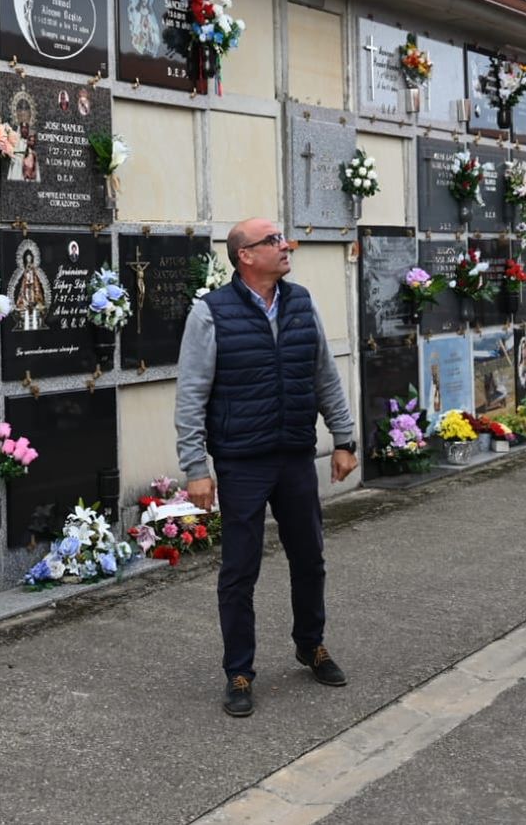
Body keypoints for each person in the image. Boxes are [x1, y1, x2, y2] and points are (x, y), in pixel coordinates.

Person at [175, 218, 357, 718]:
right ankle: (239, 671)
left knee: (310, 558)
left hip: (295, 455)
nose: (285, 245)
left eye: (283, 238)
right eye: (273, 240)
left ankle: (311, 644)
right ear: (245, 255)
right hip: (242, 462)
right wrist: (196, 467)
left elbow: (323, 375)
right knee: (239, 570)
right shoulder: (211, 313)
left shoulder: (301, 302)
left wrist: (344, 439)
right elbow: (191, 396)